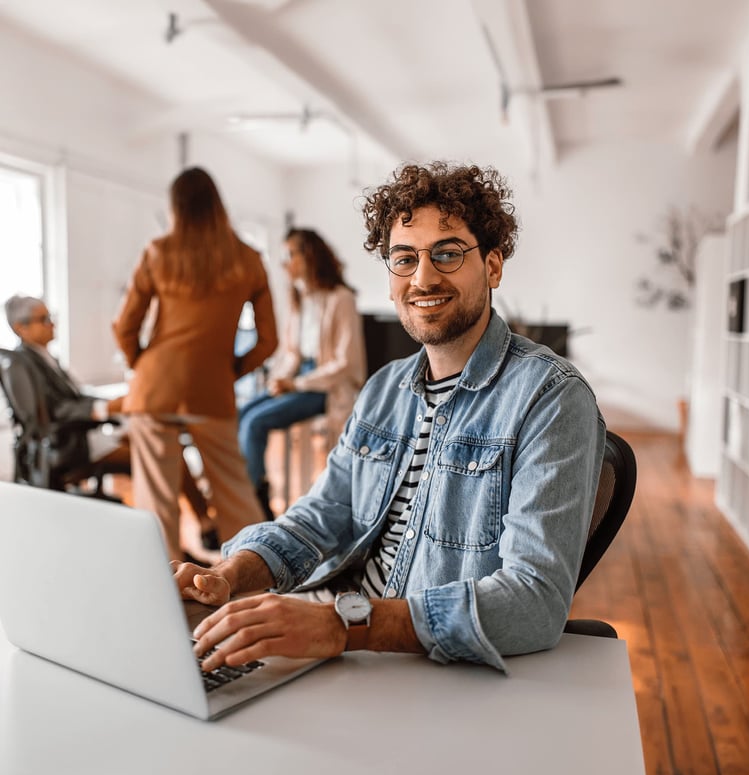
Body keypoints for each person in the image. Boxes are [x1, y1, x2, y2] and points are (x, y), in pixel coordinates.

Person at [176, 161, 606, 675]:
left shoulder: (551, 398)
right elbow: (324, 515)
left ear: (492, 267)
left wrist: (346, 626)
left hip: (419, 664)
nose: (423, 277)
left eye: (447, 254)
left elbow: (534, 600)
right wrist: (229, 575)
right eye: (404, 259)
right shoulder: (384, 389)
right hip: (334, 641)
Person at [112, 166, 278, 562]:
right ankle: (252, 583)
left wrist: (143, 366)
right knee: (236, 492)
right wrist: (229, 369)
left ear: (176, 207)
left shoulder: (158, 252)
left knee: (156, 502)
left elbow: (125, 326)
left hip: (155, 387)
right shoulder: (249, 259)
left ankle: (163, 591)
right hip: (212, 388)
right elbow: (269, 341)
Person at [4, 294, 219, 552]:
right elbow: (52, 414)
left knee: (163, 442)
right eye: (44, 319)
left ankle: (202, 522)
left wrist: (114, 404)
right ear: (21, 328)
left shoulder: (41, 357)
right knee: (157, 454)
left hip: (83, 435)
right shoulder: (22, 364)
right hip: (69, 446)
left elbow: (73, 397)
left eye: (51, 317)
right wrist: (106, 408)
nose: (52, 324)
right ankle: (169, 545)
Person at [238, 227, 367, 519]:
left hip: (326, 387)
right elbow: (291, 353)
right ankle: (249, 488)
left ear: (309, 256)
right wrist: (279, 381)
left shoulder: (341, 299)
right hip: (299, 380)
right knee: (243, 411)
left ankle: (255, 503)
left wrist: (295, 383)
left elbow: (345, 364)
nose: (284, 262)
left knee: (255, 422)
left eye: (289, 254)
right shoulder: (299, 299)